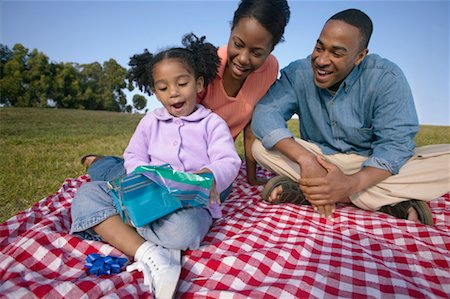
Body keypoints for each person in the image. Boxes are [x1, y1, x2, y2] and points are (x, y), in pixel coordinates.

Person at [70, 33, 241, 298]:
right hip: (142, 197)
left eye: (181, 83)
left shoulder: (212, 123)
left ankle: (129, 233)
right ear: (155, 92)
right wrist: (141, 177)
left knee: (185, 231)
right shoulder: (151, 122)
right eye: (163, 88)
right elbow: (134, 155)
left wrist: (210, 175)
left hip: (185, 205)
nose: (173, 92)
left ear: (198, 84)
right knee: (86, 196)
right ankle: (149, 253)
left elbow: (229, 160)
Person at [251, 8, 450, 225]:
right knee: (259, 147)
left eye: (336, 53)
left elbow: (395, 146)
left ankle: (315, 192)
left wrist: (351, 184)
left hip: (371, 165)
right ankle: (386, 201)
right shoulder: (299, 72)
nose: (321, 60)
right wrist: (305, 159)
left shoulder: (386, 77)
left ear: (360, 56)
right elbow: (265, 113)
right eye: (319, 47)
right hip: (319, 161)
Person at [80, 0, 291, 187]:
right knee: (125, 178)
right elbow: (175, 118)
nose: (243, 58)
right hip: (170, 157)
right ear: (231, 29)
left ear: (270, 49)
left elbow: (250, 125)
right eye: (238, 44)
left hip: (210, 160)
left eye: (256, 52)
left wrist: (251, 177)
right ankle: (102, 164)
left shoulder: (269, 69)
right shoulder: (206, 64)